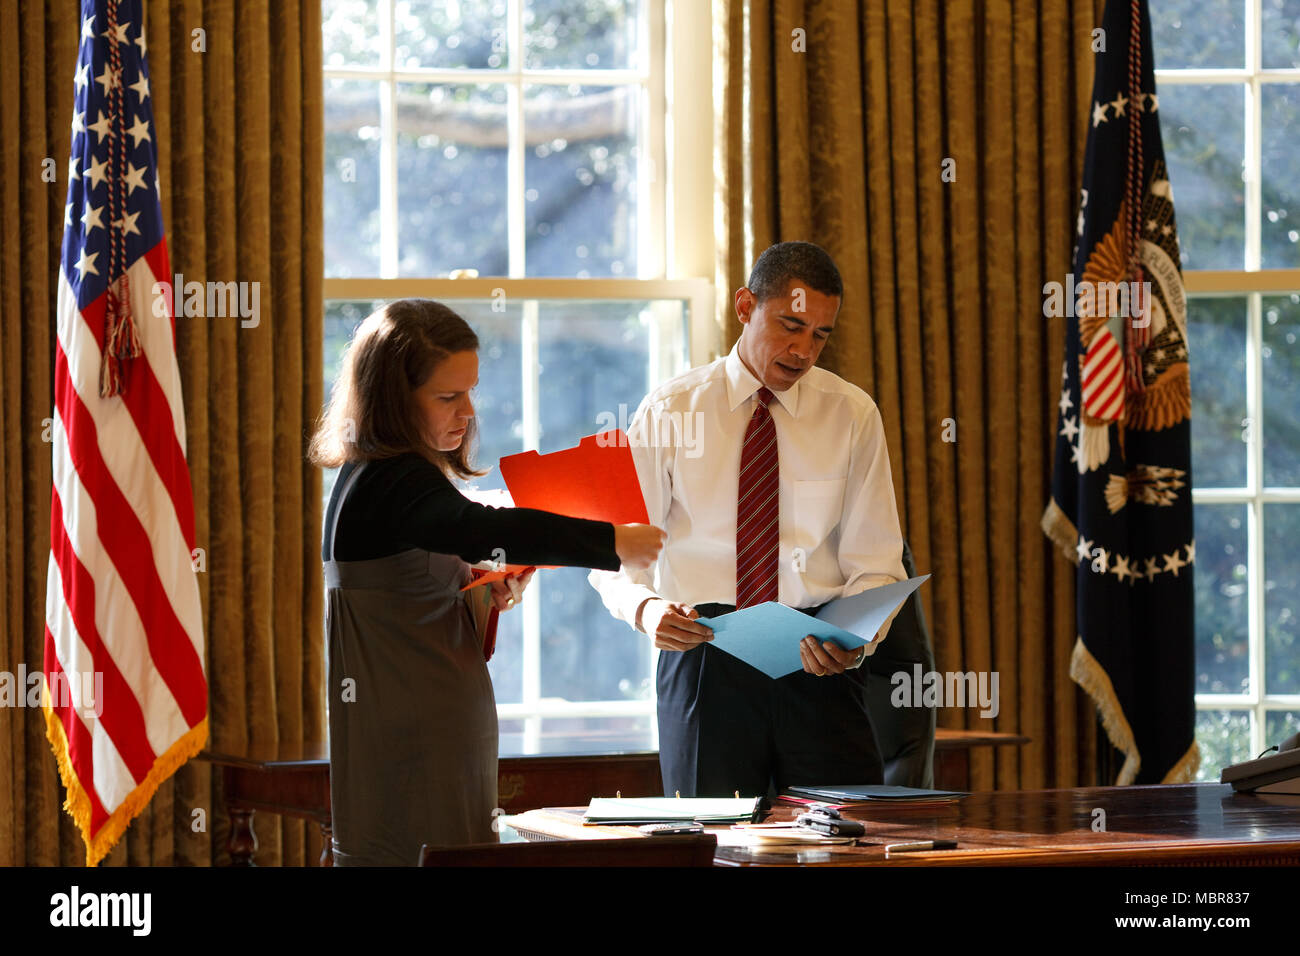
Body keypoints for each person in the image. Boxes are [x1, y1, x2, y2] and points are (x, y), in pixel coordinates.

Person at [308, 298, 665, 865]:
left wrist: (481, 582)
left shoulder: (380, 473)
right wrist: (611, 542)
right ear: (393, 400)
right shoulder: (393, 478)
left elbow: (427, 564)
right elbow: (479, 529)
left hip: (421, 718)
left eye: (470, 391)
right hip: (416, 731)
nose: (468, 411)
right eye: (448, 397)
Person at [589, 241, 907, 798]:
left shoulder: (852, 414)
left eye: (820, 335)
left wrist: (858, 639)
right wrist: (646, 609)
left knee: (840, 849)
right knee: (710, 844)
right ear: (744, 307)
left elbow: (877, 563)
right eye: (790, 325)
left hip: (818, 662)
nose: (804, 350)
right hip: (704, 657)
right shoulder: (670, 411)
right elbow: (612, 552)